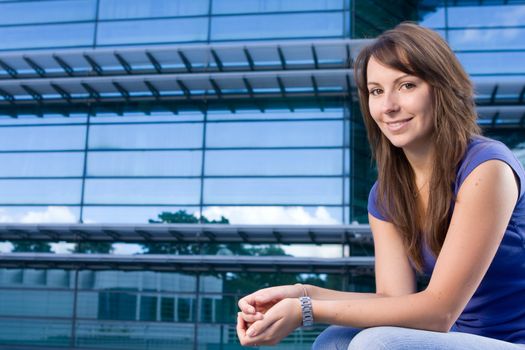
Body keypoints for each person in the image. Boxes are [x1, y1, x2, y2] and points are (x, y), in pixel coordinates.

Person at [236, 22, 525, 349]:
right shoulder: (387, 194)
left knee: (377, 342)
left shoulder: (487, 168)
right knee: (334, 340)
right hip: (454, 340)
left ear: (442, 88)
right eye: (376, 91)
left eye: (406, 85)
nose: (388, 106)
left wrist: (306, 310)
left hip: (511, 342)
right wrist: (301, 294)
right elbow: (392, 299)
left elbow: (439, 311)